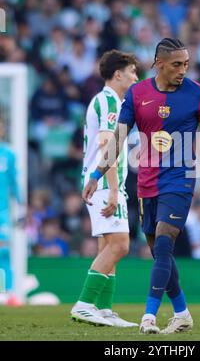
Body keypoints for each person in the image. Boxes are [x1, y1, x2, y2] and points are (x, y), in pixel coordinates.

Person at [83, 38, 200, 334]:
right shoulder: (138, 94)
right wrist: (96, 175)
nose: (183, 70)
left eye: (187, 64)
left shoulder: (199, 95)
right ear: (159, 64)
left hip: (181, 179)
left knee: (166, 243)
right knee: (157, 251)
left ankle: (149, 316)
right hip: (147, 182)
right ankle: (182, 313)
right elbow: (118, 137)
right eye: (177, 65)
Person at [71, 50, 139, 328]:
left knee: (108, 247)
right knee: (121, 245)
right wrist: (113, 190)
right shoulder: (110, 102)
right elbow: (106, 146)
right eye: (133, 72)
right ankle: (84, 304)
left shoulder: (107, 101)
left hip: (100, 183)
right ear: (118, 74)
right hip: (104, 185)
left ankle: (104, 309)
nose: (136, 77)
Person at [0, 117, 21, 293]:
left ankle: (7, 292)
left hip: (2, 212)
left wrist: (22, 204)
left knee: (4, 252)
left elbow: (14, 182)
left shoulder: (8, 154)